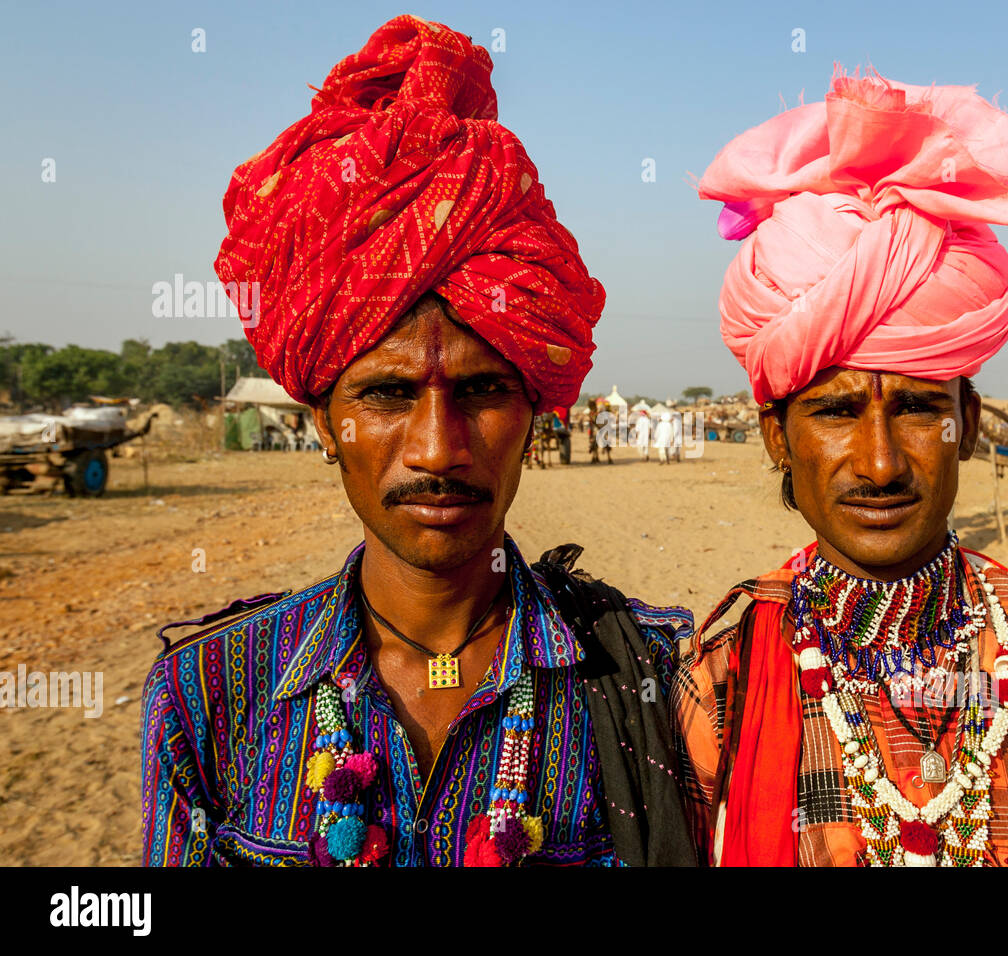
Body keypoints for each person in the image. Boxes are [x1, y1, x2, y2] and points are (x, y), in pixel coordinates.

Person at [142, 17, 695, 868]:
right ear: (325, 422)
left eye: (482, 392)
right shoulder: (210, 694)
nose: (438, 449)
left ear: (537, 416)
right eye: (389, 395)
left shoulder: (657, 678)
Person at [673, 66, 1008, 867]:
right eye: (834, 410)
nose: (882, 463)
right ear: (777, 438)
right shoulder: (716, 689)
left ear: (965, 423)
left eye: (920, 409)